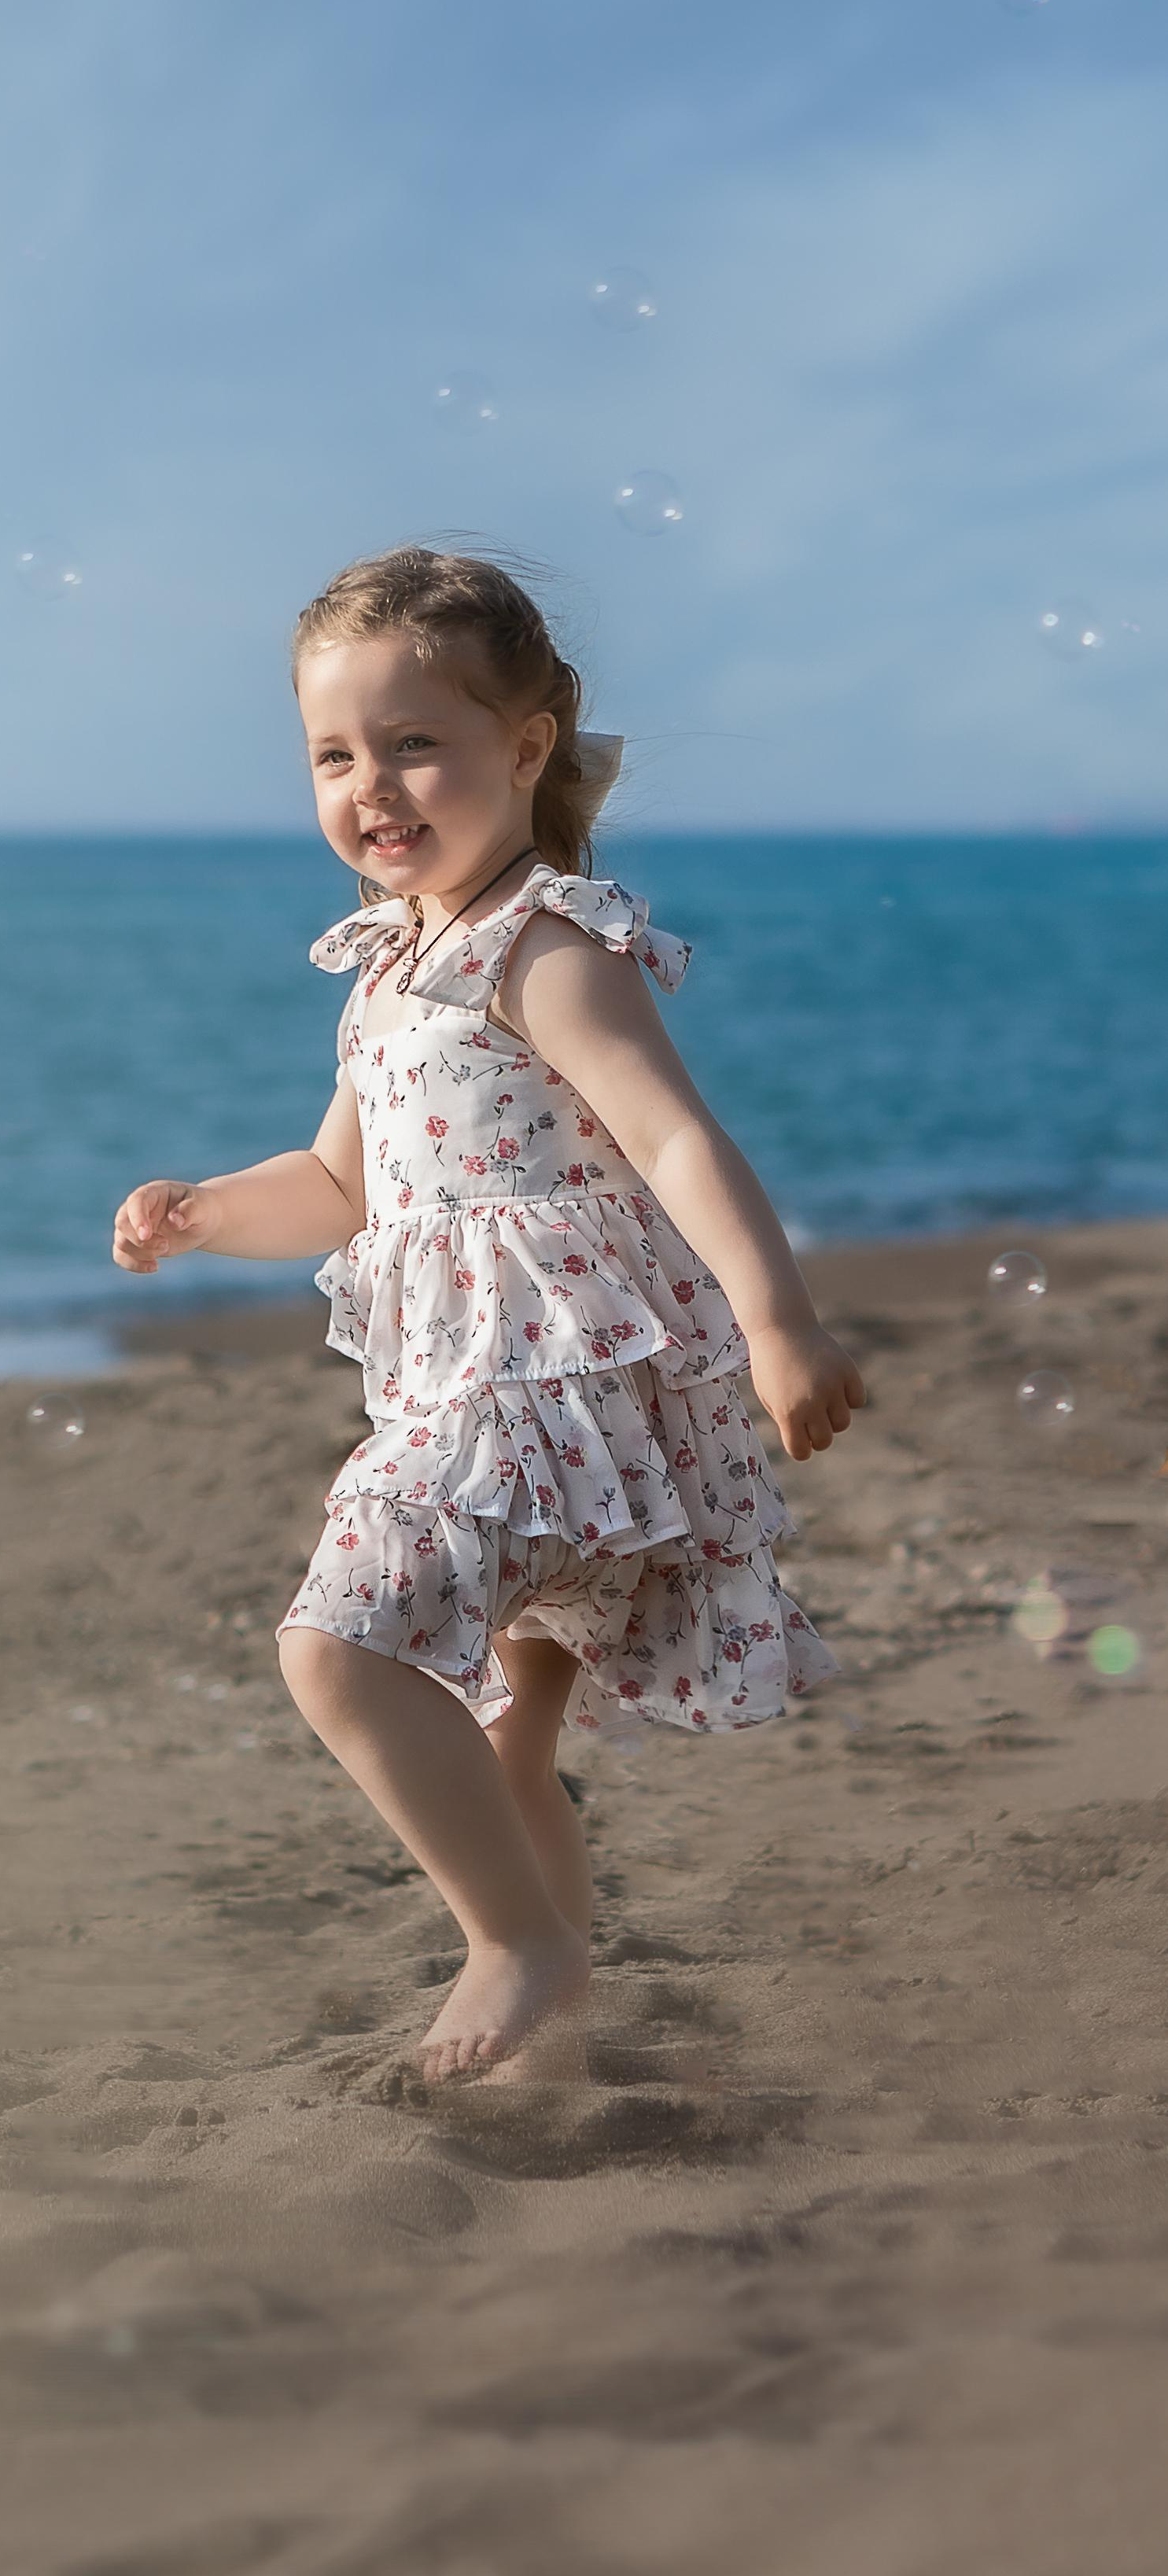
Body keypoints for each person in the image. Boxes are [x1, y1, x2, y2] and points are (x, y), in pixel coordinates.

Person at [112, 545, 865, 2088]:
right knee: (508, 1732)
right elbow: (336, 1186)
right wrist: (200, 1214)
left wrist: (776, 1317)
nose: (371, 785)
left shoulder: (541, 947)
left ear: (522, 750)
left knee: (334, 1653)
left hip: (553, 1393)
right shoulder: (388, 970)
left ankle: (516, 1948)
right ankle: (562, 2033)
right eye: (334, 754)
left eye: (414, 742)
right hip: (467, 1388)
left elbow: (671, 1138)